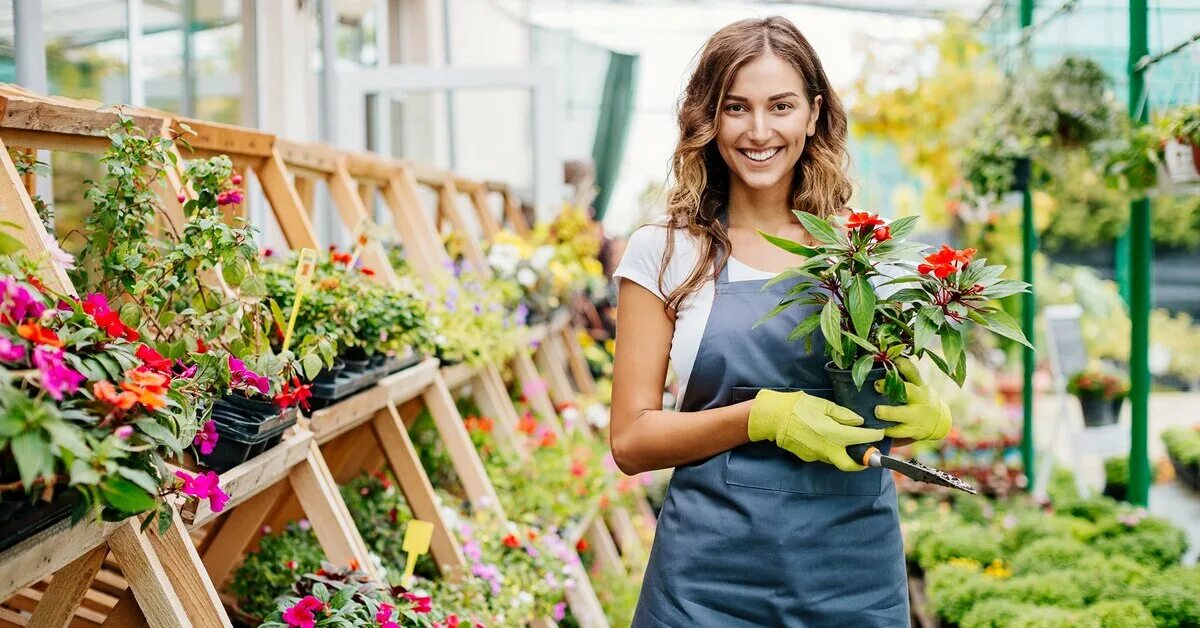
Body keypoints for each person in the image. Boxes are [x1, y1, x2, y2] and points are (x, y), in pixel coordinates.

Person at [609, 17, 952, 627]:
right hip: (706, 584)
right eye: (736, 107)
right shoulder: (666, 252)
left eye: (781, 106)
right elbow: (631, 443)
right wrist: (760, 417)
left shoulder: (863, 252)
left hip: (851, 579)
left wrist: (926, 415)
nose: (759, 130)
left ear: (814, 114)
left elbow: (879, 411)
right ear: (708, 118)